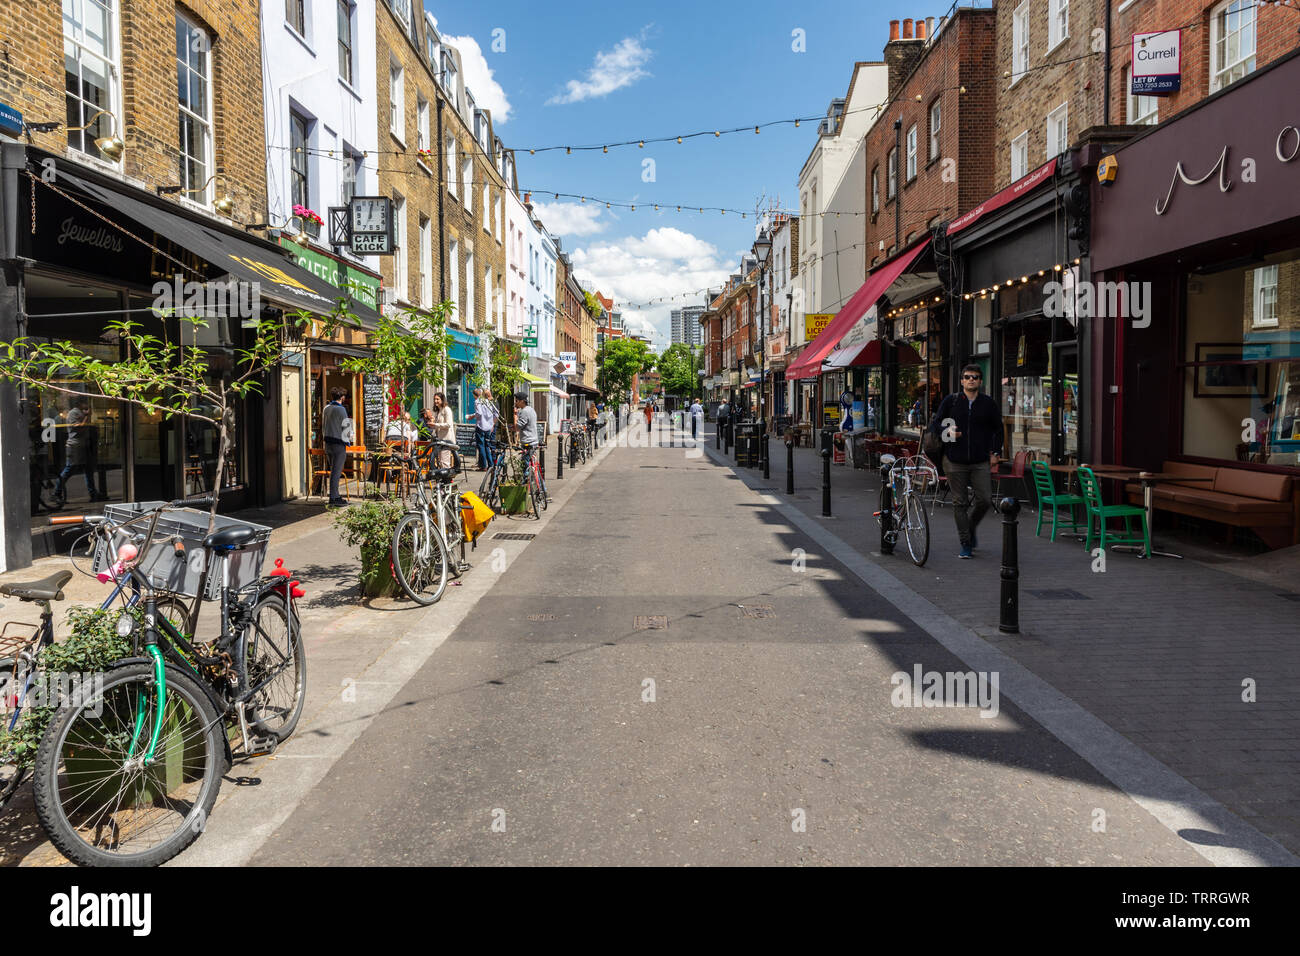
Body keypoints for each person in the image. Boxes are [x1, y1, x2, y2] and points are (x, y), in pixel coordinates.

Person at [929, 364, 1003, 559]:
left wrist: (995, 451)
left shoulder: (988, 404)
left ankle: (970, 527)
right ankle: (965, 542)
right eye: (968, 377)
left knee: (985, 500)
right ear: (962, 380)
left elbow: (998, 429)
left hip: (980, 460)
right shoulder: (951, 401)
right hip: (954, 460)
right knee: (959, 503)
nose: (971, 380)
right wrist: (948, 432)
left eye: (975, 377)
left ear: (980, 381)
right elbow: (935, 424)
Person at [57, 397, 103, 502]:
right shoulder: (73, 413)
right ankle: (57, 492)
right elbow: (78, 427)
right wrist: (86, 417)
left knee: (88, 470)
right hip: (74, 446)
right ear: (79, 403)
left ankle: (93, 493)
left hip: (83, 446)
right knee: (69, 469)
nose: (86, 405)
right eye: (84, 403)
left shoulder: (80, 412)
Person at [322, 387, 353, 506]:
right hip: (338, 444)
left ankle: (333, 495)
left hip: (328, 443)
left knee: (332, 471)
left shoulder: (326, 408)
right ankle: (334, 497)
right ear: (343, 398)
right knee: (336, 471)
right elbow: (346, 428)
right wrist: (349, 440)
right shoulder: (341, 410)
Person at [430, 392, 456, 468]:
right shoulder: (439, 411)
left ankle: (447, 478)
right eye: (434, 399)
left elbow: (448, 424)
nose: (435, 401)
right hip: (440, 440)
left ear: (442, 399)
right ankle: (444, 478)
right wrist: (433, 425)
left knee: (444, 462)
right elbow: (439, 426)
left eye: (437, 399)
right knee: (441, 461)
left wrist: (435, 425)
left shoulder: (446, 410)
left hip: (446, 440)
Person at [475, 388, 499, 470]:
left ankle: (483, 466)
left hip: (481, 426)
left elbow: (479, 413)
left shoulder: (478, 402)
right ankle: (491, 464)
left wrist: (476, 418)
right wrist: (492, 423)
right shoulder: (490, 403)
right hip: (488, 427)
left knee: (481, 446)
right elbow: (497, 413)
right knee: (487, 446)